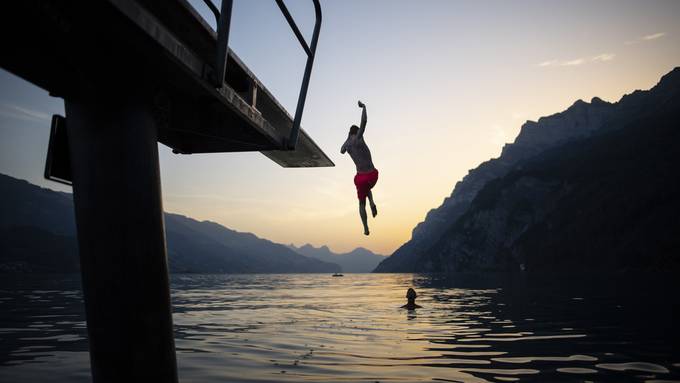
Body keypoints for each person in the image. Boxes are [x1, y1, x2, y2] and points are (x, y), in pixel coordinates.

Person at [341, 101, 378, 235]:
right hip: (372, 174)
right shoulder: (359, 137)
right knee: (366, 185)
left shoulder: (348, 144)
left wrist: (347, 137)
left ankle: (365, 228)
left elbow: (341, 151)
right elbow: (364, 121)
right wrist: (364, 107)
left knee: (361, 203)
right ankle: (372, 202)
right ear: (357, 132)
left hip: (359, 177)